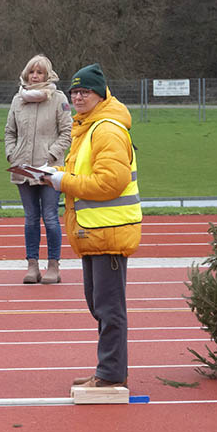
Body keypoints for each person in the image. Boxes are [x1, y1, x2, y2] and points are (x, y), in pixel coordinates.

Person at [44, 64, 141, 389]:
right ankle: (108, 370)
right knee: (99, 306)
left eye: (85, 91)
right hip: (94, 232)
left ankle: (111, 375)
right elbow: (87, 172)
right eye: (74, 92)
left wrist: (62, 181)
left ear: (100, 94)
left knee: (109, 310)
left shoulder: (107, 130)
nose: (78, 96)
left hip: (109, 233)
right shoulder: (87, 128)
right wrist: (54, 172)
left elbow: (111, 182)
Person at [5, 55, 73, 284]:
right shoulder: (17, 100)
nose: (35, 76)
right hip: (23, 167)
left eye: (40, 72)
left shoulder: (58, 99)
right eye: (32, 72)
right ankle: (32, 266)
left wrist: (51, 155)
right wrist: (12, 154)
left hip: (49, 169)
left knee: (51, 217)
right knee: (31, 218)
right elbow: (9, 132)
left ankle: (53, 265)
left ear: (47, 75)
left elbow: (67, 132)